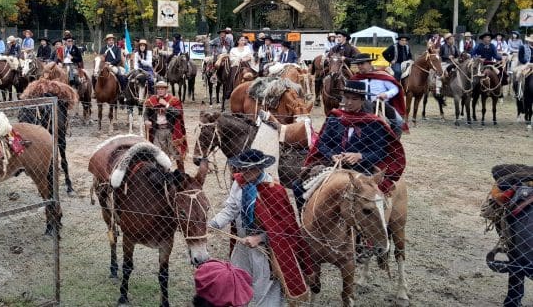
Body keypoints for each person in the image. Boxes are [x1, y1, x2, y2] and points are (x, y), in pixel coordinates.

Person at [209, 148, 313, 306]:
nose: (243, 173)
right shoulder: (239, 184)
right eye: (241, 168)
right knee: (237, 281)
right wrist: (213, 224)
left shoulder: (274, 190)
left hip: (267, 250)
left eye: (248, 169)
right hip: (242, 245)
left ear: (259, 168)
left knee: (264, 290)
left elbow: (285, 226)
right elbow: (230, 209)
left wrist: (260, 238)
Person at [293, 80, 406, 209]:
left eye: (354, 99)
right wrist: (333, 156)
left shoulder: (374, 123)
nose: (349, 102)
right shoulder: (334, 118)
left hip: (362, 169)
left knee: (373, 201)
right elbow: (322, 144)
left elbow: (380, 152)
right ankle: (307, 222)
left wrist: (360, 156)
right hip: (332, 167)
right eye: (346, 98)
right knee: (298, 187)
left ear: (363, 101)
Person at [350, 53, 406, 137]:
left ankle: (394, 141)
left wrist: (386, 94)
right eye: (358, 64)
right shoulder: (356, 78)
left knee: (399, 122)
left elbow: (395, 88)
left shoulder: (382, 75)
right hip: (362, 105)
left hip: (381, 104)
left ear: (369, 63)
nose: (360, 66)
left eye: (362, 64)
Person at [144, 81, 187, 166]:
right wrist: (146, 120)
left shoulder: (174, 100)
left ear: (166, 89)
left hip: (171, 131)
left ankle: (181, 174)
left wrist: (166, 105)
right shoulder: (151, 100)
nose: (160, 91)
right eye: (158, 89)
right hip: (157, 131)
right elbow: (146, 113)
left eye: (162, 89)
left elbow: (178, 113)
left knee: (177, 154)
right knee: (158, 155)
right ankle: (162, 174)